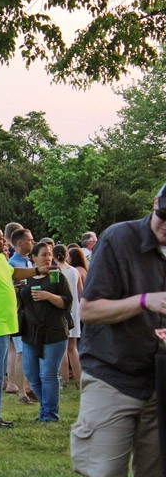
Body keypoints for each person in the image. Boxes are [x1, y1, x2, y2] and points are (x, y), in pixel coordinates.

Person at [70, 184, 166, 476]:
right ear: (155, 203)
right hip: (112, 376)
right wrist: (143, 301)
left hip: (160, 384)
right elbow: (89, 310)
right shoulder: (119, 239)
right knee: (104, 470)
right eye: (164, 215)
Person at [0, 224, 57, 428]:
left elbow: (13, 272)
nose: (4, 242)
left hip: (4, 325)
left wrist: (37, 270)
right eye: (0, 239)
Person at [18, 241, 72, 422]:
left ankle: (50, 414)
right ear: (34, 258)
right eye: (44, 254)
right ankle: (46, 408)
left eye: (50, 254)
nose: (48, 258)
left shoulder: (56, 276)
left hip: (54, 332)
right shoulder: (27, 278)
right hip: (30, 332)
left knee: (48, 374)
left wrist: (47, 296)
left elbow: (67, 302)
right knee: (32, 374)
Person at [6, 228, 36, 404]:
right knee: (21, 352)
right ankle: (21, 393)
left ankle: (29, 388)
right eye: (30, 240)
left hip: (30, 312)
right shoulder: (11, 264)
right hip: (19, 313)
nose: (33, 242)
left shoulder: (28, 262)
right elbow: (9, 289)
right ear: (20, 243)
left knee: (27, 351)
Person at [54, 244, 82, 389]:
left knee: (62, 348)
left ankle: (64, 380)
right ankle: (79, 380)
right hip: (75, 310)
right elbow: (81, 292)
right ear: (67, 256)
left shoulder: (55, 271)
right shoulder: (74, 271)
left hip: (61, 310)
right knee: (73, 347)